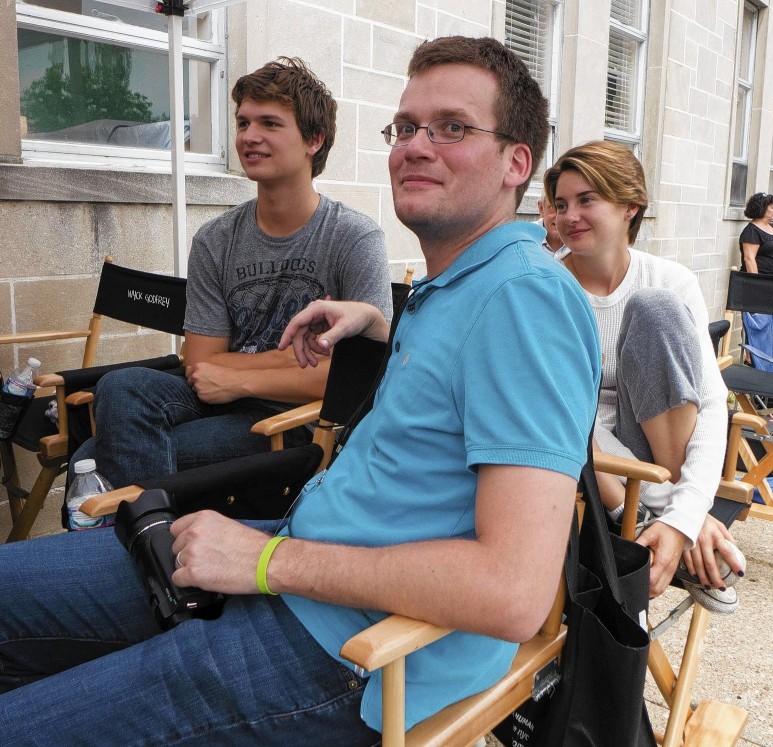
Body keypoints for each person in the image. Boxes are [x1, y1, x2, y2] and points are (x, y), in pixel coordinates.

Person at [0, 36, 601, 744]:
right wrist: (378, 324)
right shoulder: (459, 284)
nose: (416, 145)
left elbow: (514, 592)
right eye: (405, 127)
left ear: (516, 163)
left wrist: (263, 562)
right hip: (303, 568)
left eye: (452, 127)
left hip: (350, 653)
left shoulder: (525, 299)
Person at [69, 58, 392, 489]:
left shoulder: (353, 237)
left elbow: (355, 378)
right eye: (242, 123)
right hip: (217, 395)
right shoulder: (215, 239)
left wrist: (238, 378)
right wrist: (277, 364)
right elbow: (202, 363)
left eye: (269, 124)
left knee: (91, 457)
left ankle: (143, 540)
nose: (248, 137)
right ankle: (155, 540)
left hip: (292, 420)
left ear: (314, 139)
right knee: (120, 384)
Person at [544, 140, 741, 606]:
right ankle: (667, 533)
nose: (568, 216)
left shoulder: (670, 281)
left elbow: (713, 403)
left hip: (657, 447)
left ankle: (668, 531)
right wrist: (676, 512)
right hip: (588, 467)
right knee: (562, 413)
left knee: (654, 309)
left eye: (586, 199)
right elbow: (572, 419)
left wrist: (683, 515)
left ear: (630, 205)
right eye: (561, 204)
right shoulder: (545, 286)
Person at [740, 191, 773, 372]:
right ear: (762, 209)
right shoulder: (751, 231)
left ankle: (769, 365)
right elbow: (749, 259)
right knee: (757, 326)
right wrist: (757, 287)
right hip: (760, 289)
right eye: (772, 208)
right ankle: (752, 363)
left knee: (770, 327)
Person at [536, 194, 569, 259]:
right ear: (541, 209)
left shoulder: (583, 242)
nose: (558, 218)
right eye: (553, 208)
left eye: (563, 207)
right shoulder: (525, 240)